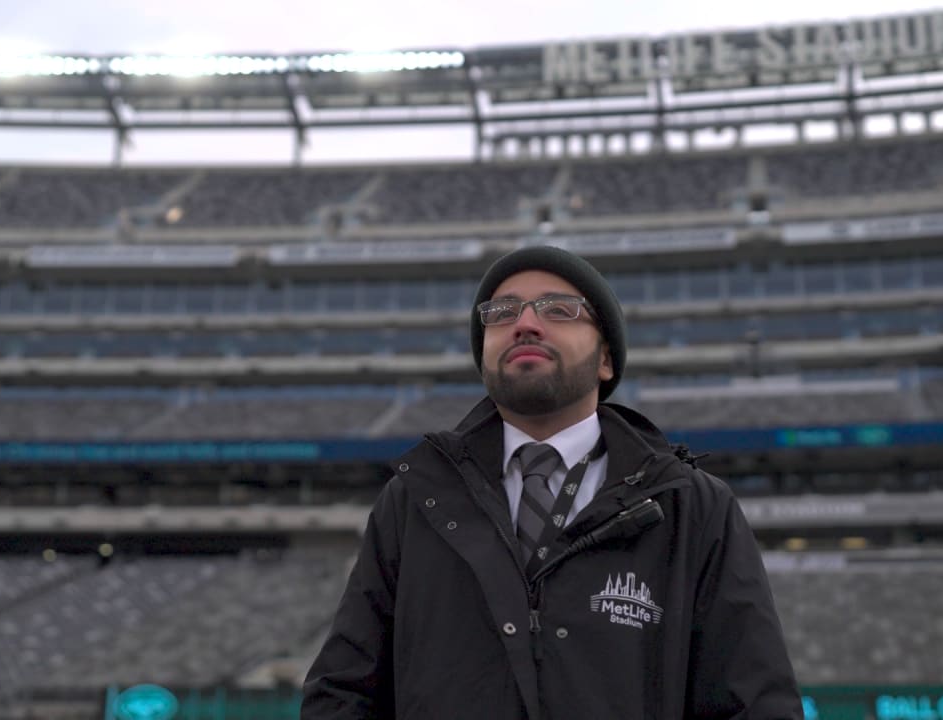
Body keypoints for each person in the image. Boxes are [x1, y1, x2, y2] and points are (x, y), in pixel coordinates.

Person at [302, 246, 803, 720]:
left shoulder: (693, 507)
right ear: (484, 359)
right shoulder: (413, 499)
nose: (524, 323)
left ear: (606, 359)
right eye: (502, 313)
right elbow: (343, 693)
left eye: (558, 310)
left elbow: (753, 703)